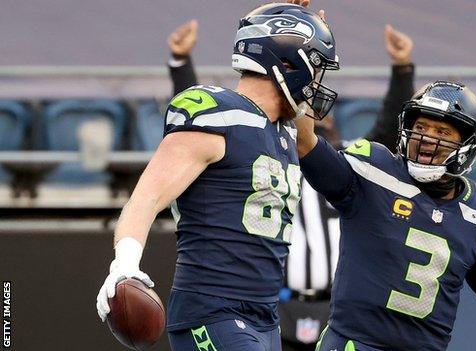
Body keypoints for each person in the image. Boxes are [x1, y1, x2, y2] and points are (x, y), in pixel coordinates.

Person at [96, 2, 340, 350]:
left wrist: (291, 18)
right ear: (289, 63)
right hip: (213, 311)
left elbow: (306, 130)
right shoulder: (216, 114)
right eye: (316, 68)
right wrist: (125, 264)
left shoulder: (286, 132)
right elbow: (146, 197)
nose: (317, 82)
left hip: (266, 316)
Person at [166, 16, 416, 351]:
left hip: (333, 310)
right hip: (274, 308)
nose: (314, 114)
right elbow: (207, 129)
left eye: (321, 114)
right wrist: (181, 65)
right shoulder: (263, 147)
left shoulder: (344, 167)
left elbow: (386, 131)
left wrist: (402, 71)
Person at [295, 81, 476, 350]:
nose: (427, 138)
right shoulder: (372, 173)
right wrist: (301, 82)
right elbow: (305, 144)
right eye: (420, 127)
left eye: (442, 131)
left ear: (467, 143)